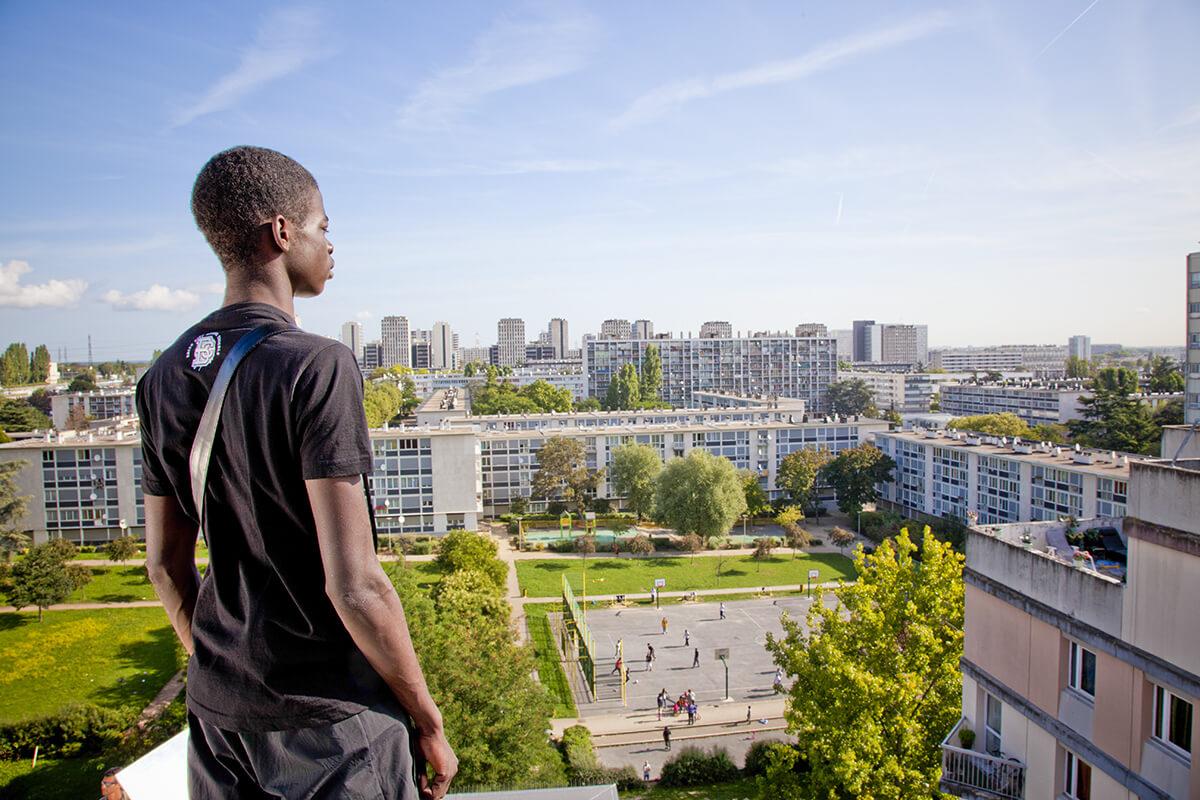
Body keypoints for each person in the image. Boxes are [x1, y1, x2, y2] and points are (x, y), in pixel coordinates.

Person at [137, 147, 455, 800]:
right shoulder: (316, 366)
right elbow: (356, 585)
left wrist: (223, 669)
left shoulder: (163, 376)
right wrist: (427, 719)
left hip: (219, 724)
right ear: (282, 233)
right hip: (331, 723)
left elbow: (167, 567)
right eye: (323, 226)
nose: (331, 245)